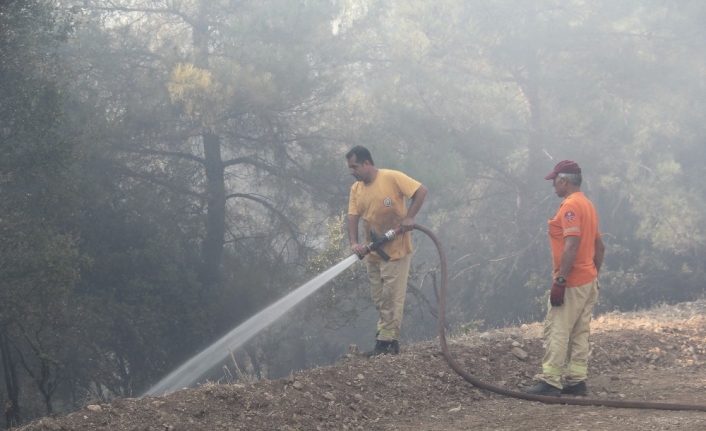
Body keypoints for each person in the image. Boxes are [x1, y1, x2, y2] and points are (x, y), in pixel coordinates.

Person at [522, 160, 605, 397]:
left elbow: (571, 246)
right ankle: (577, 381)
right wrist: (593, 275)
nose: (553, 187)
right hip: (588, 280)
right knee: (580, 332)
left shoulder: (570, 207)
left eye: (554, 182)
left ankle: (550, 382)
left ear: (564, 181)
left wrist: (561, 280)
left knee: (558, 329)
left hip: (572, 281)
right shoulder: (588, 205)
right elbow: (600, 247)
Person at [346, 146, 427, 356]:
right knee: (379, 298)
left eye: (354, 166)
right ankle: (383, 338)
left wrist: (409, 217)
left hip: (396, 249)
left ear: (367, 163)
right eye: (350, 167)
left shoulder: (391, 178)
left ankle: (388, 343)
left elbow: (421, 191)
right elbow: (353, 216)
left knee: (392, 296)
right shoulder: (356, 189)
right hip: (372, 251)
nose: (351, 171)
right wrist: (355, 243)